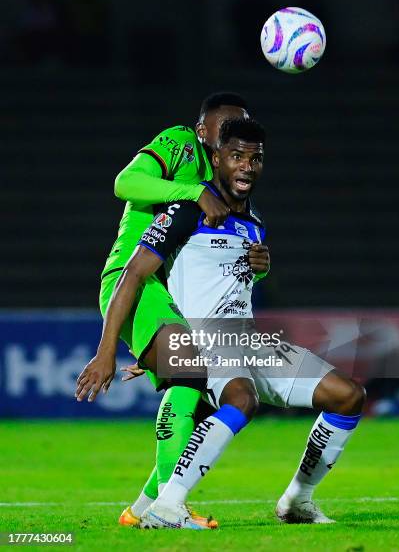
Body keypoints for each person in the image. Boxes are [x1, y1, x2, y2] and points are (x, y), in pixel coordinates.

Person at [92, 116, 366, 529]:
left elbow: (235, 279)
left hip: (250, 340)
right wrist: (110, 348)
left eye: (255, 158)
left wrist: (260, 268)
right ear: (216, 159)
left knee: (348, 395)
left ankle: (297, 500)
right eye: (236, 156)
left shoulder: (254, 221)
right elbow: (132, 274)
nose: (247, 166)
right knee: (240, 399)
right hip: (205, 339)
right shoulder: (185, 210)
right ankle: (168, 508)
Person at [76, 93, 253, 527]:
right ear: (203, 131)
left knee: (206, 405)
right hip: (131, 278)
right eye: (224, 127)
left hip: (166, 294)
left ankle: (143, 508)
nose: (230, 136)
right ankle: (169, 508)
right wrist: (106, 352)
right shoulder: (180, 145)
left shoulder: (225, 183)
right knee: (191, 373)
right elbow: (125, 182)